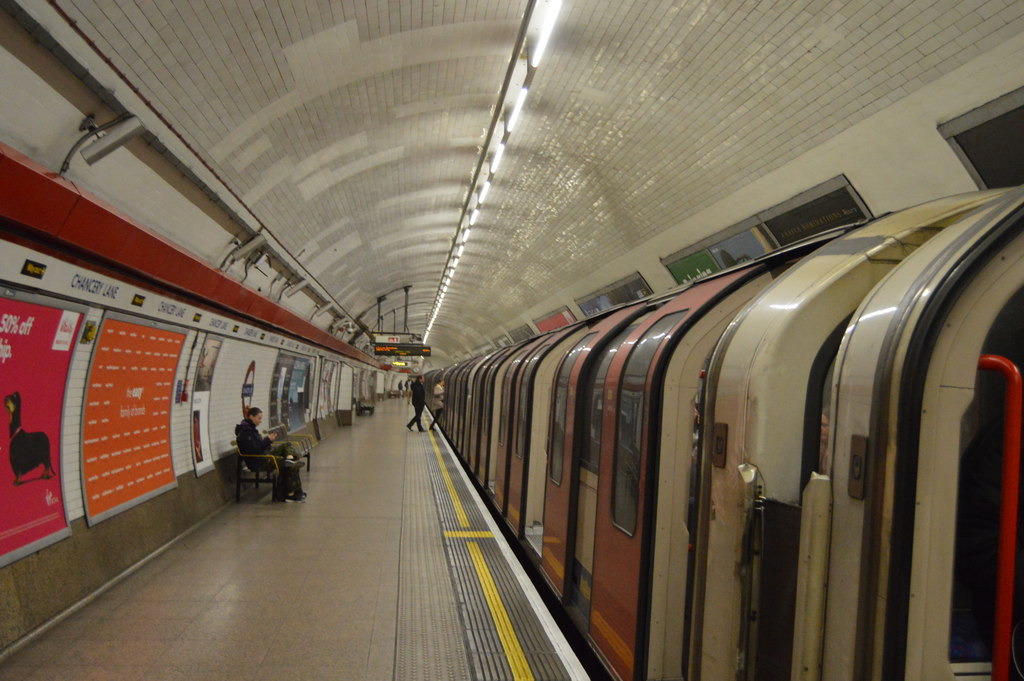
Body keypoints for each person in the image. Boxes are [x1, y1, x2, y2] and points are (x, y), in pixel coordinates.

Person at [235, 407, 307, 502]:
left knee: (286, 446)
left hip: (263, 456)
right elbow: (255, 450)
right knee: (288, 465)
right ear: (251, 417)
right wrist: (267, 440)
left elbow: (259, 446)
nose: (260, 421)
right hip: (258, 461)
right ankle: (290, 494)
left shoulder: (251, 430)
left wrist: (268, 441)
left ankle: (290, 459)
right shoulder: (245, 433)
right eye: (259, 418)